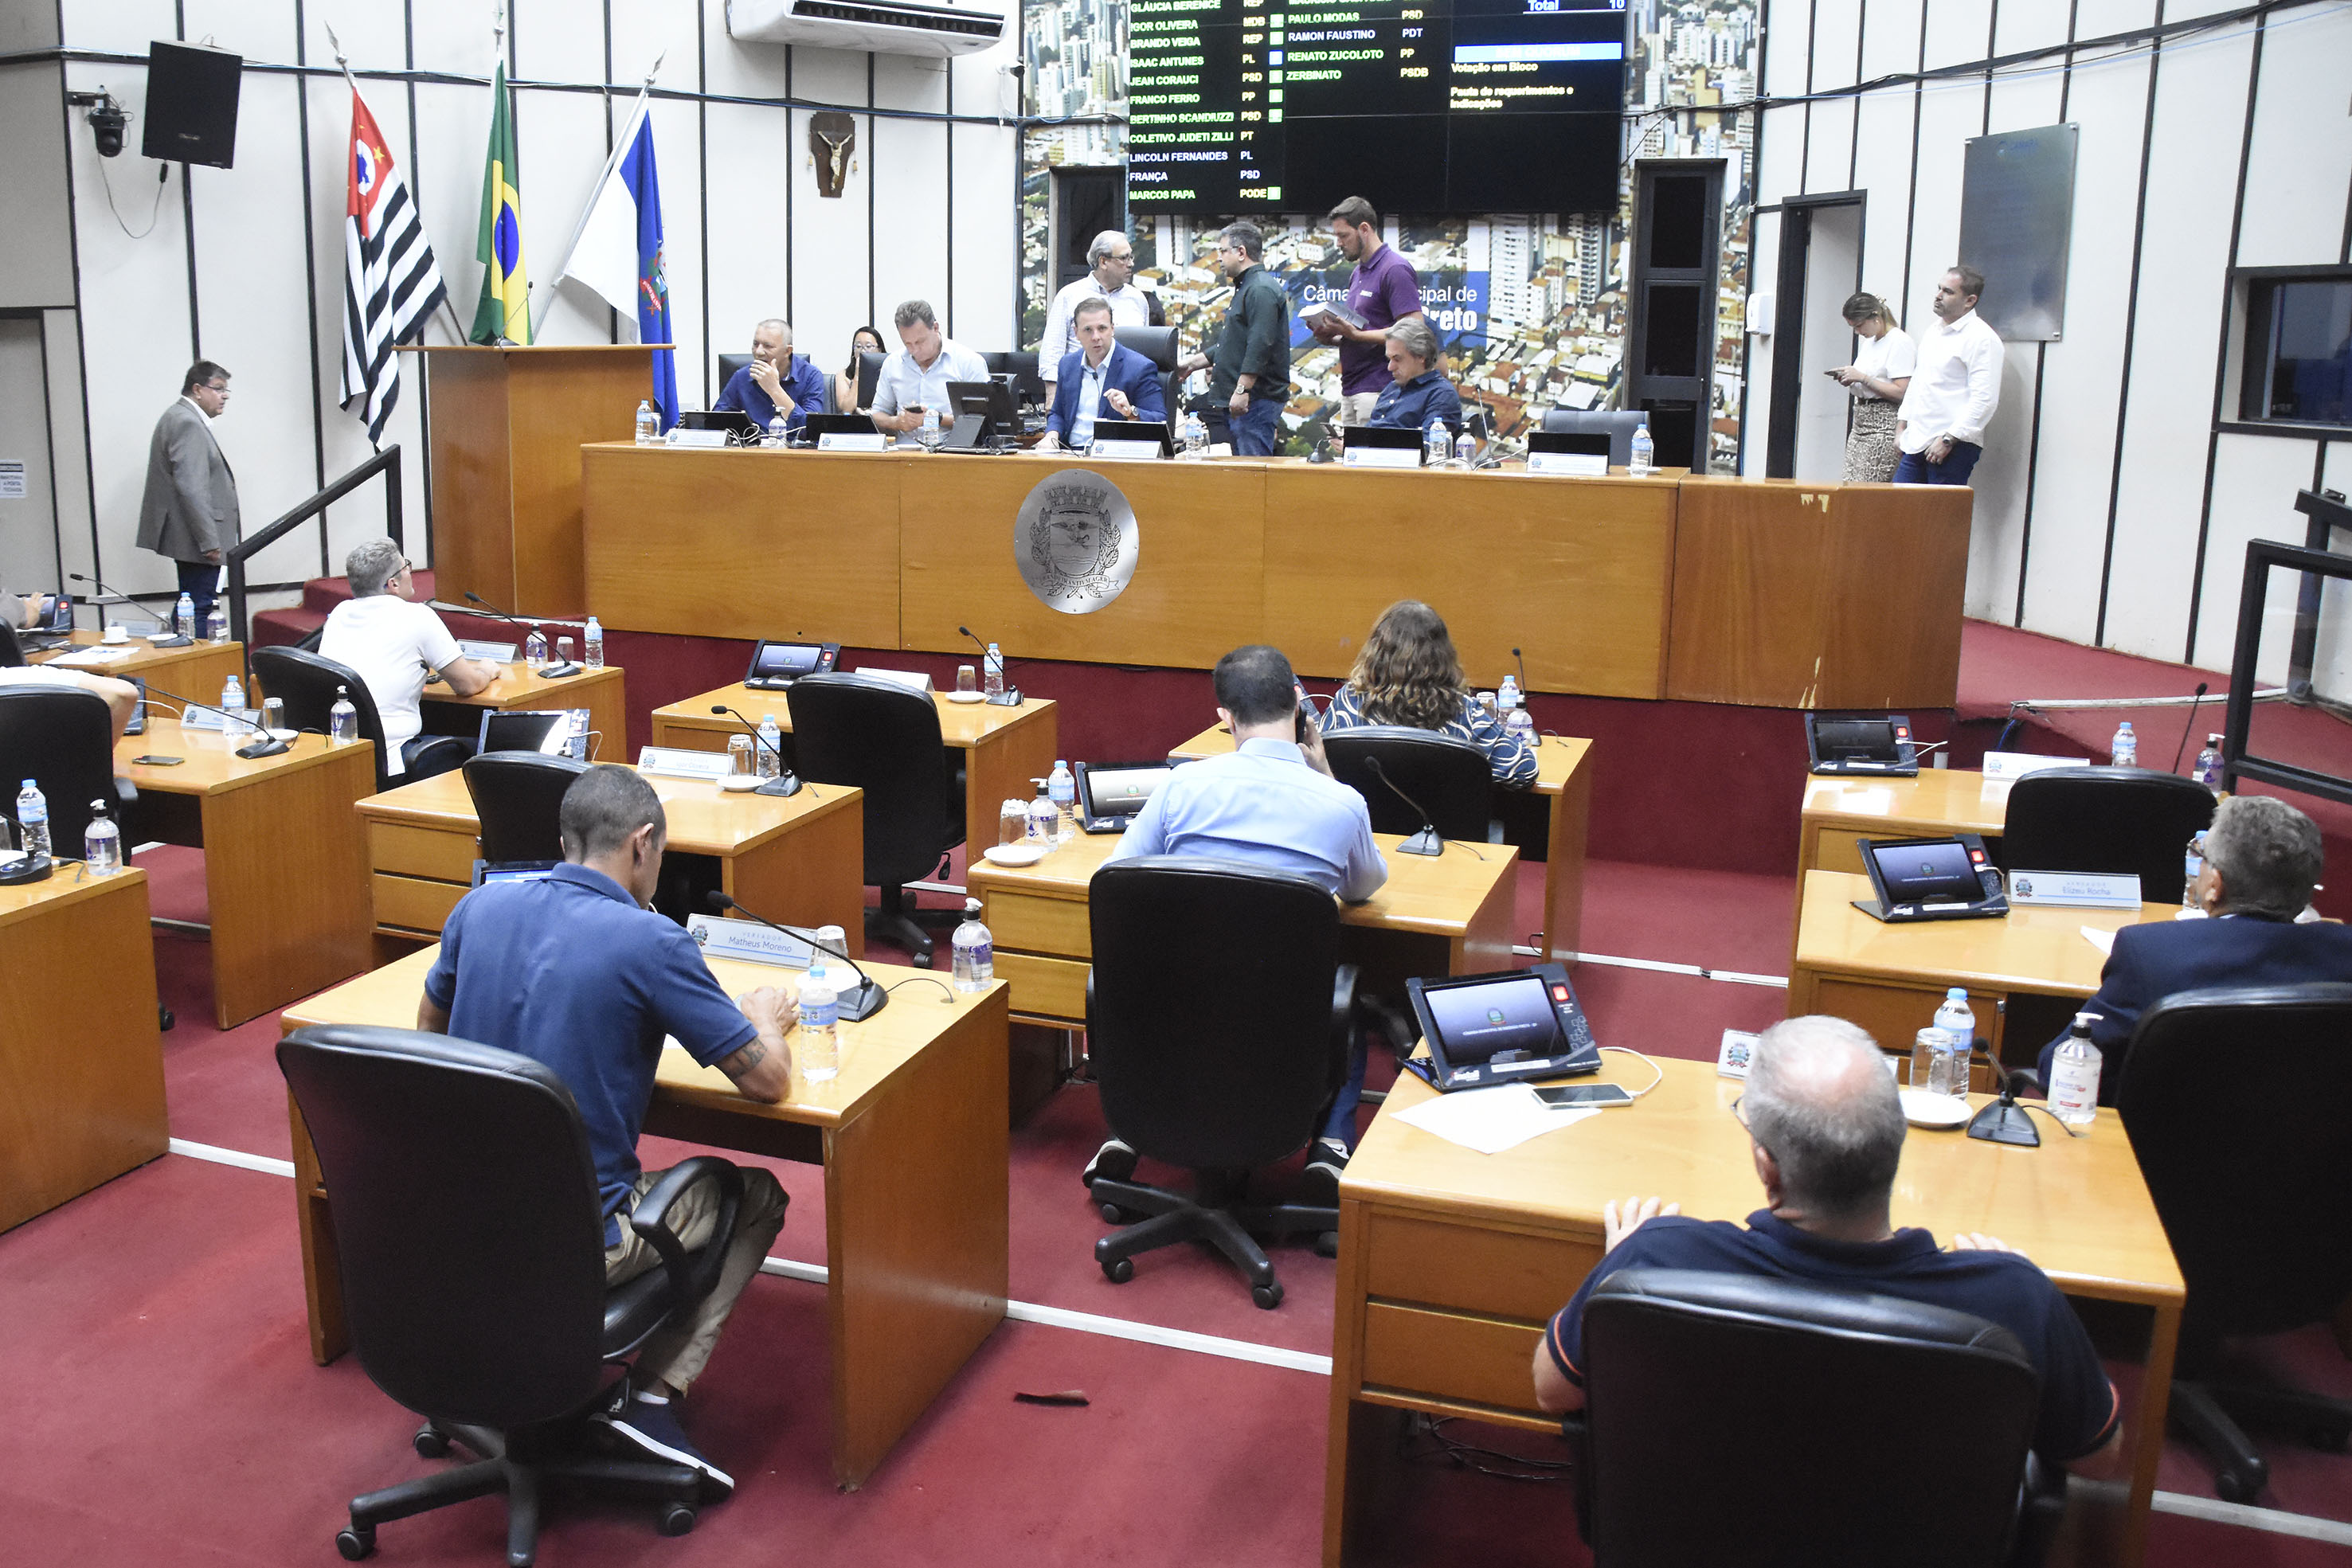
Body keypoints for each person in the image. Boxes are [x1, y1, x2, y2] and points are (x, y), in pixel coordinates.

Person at [418, 764, 795, 1496]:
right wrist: (763, 1018)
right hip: (579, 1241)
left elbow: (431, 1036)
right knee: (755, 1194)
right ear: (643, 844)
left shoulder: (477, 911)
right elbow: (766, 1081)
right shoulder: (651, 941)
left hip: (454, 1225)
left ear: (564, 840)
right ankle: (651, 1399)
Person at [1531, 1015, 2126, 1477]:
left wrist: (1617, 1265)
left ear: (1766, 1164)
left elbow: (1551, 1389)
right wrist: (2013, 1280)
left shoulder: (1656, 1260)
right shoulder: (2013, 1296)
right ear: (1898, 1141)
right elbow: (2096, 1458)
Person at [1099, 644, 1387, 1192]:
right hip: (1287, 1020)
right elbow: (1363, 887)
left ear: (1224, 717)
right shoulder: (1341, 803)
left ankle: (1127, 1130)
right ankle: (1329, 1144)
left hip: (1180, 1002)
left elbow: (1118, 876)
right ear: (1300, 708)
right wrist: (1323, 771)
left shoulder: (1181, 786)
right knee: (1348, 995)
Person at [2037, 795, 2352, 1098]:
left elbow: (2063, 1071)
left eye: (2201, 853)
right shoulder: (2344, 953)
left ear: (2215, 885)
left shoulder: (2149, 952)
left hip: (2155, 1148)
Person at [316, 538, 499, 779]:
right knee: (497, 750)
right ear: (393, 583)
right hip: (397, 760)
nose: (410, 572)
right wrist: (486, 670)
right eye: (406, 567)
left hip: (346, 759)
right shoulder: (418, 616)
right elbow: (467, 685)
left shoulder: (339, 614)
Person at [1321, 599, 1536, 787]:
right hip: (1443, 833)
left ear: (1375, 651)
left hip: (1365, 831)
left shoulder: (1346, 703)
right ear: (1442, 656)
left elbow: (1312, 763)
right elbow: (1524, 769)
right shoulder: (1463, 712)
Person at [136, 361, 239, 635]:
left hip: (192, 536)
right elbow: (192, 487)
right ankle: (194, 675)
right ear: (197, 389)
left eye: (226, 390)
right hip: (197, 539)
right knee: (200, 607)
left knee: (190, 605)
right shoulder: (186, 422)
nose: (225, 396)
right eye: (218, 389)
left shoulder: (179, 417)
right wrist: (209, 541)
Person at [1176, 223, 1291, 457]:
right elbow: (1234, 345)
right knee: (1244, 473)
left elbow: (1260, 344)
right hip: (1248, 402)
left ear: (1241, 252)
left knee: (1253, 475)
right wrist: (1193, 363)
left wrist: (1242, 389)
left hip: (1255, 401)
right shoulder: (1248, 287)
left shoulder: (1260, 289)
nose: (1218, 258)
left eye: (1223, 251)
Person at [1311, 197, 1425, 425]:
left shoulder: (1394, 269)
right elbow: (1363, 330)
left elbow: (1413, 330)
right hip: (1351, 389)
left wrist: (1356, 336)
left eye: (1343, 236)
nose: (1339, 244)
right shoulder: (1358, 273)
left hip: (1379, 389)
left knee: (1372, 459)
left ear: (1364, 229)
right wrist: (1333, 336)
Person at [1893, 266, 2002, 486]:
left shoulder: (1981, 338)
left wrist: (1949, 439)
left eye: (1948, 291)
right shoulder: (1934, 331)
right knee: (1899, 512)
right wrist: (1901, 426)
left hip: (1952, 443)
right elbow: (1919, 382)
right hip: (1916, 440)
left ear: (1970, 301)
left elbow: (1985, 400)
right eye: (1939, 288)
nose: (1938, 296)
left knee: (1939, 517)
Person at [1039, 230, 1154, 398]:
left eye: (1131, 257)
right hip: (1078, 391)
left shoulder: (1137, 299)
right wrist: (1052, 397)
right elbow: (1052, 351)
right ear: (1103, 261)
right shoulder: (1070, 295)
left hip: (1127, 395)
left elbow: (1143, 354)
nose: (1130, 264)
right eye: (1123, 258)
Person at [1043, 297, 1168, 451]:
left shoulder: (1139, 367)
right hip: (1070, 455)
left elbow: (1160, 420)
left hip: (1114, 458)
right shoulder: (1068, 364)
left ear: (1112, 329)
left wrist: (1131, 413)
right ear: (1076, 332)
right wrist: (1052, 435)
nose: (1096, 337)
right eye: (1088, 330)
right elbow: (1058, 413)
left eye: (1102, 328)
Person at [870, 299, 991, 436]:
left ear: (935, 328)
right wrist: (897, 422)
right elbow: (877, 414)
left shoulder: (968, 362)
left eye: (920, 342)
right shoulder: (892, 363)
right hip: (904, 453)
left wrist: (936, 418)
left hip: (951, 452)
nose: (914, 350)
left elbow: (982, 420)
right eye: (907, 343)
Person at [1829, 292, 1915, 483]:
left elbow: (1902, 391)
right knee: (1848, 483)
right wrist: (1851, 378)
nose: (1858, 332)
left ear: (1875, 318)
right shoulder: (1871, 342)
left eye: (1859, 326)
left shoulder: (1899, 342)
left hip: (1883, 424)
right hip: (1861, 420)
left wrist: (1863, 378)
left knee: (1868, 486)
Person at [712, 319, 827, 434]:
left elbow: (810, 431)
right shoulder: (742, 376)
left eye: (768, 346)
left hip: (793, 449)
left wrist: (774, 389)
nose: (759, 352)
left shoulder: (811, 376)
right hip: (752, 449)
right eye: (756, 344)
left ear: (788, 351)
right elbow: (716, 423)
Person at [1360, 319, 1463, 439]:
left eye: (1397, 359)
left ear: (1421, 356)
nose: (1390, 367)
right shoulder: (1391, 389)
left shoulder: (1441, 394)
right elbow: (1370, 432)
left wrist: (1369, 447)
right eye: (1389, 359)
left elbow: (1429, 448)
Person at [832, 323, 883, 414]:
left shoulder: (889, 373)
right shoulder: (843, 376)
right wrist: (858, 374)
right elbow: (846, 410)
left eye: (868, 346)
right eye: (858, 347)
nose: (863, 351)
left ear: (879, 350)